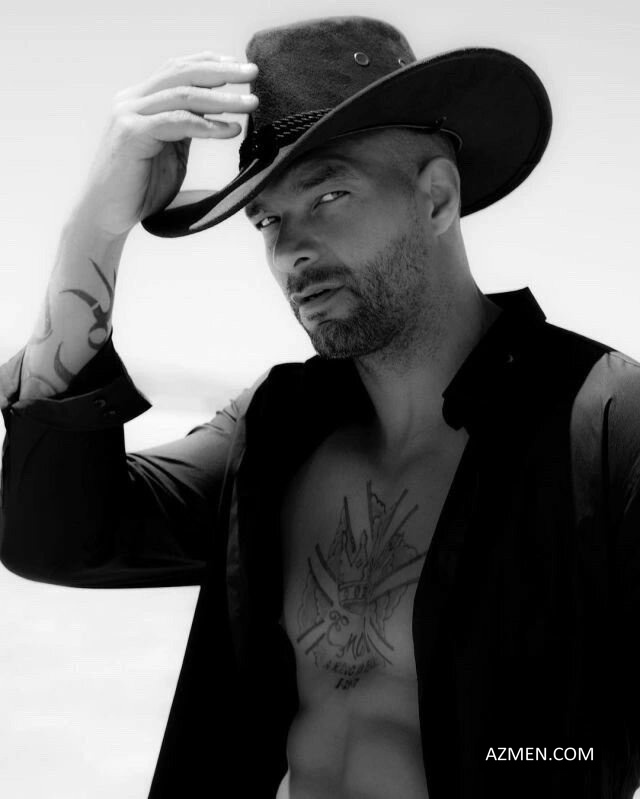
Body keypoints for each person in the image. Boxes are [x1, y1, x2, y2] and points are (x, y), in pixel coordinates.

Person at [0, 14, 639, 799]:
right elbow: (57, 538)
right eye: (268, 219)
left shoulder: (606, 424)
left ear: (437, 198)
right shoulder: (279, 427)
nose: (289, 249)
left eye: (329, 194)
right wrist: (93, 233)